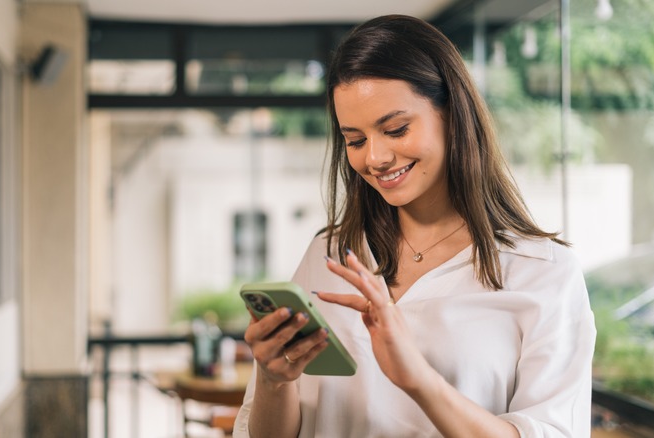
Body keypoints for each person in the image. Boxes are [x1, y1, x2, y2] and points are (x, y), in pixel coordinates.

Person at [234, 14, 596, 438]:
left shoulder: (542, 270)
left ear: (453, 114)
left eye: (395, 129)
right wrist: (275, 381)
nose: (375, 157)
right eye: (355, 140)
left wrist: (418, 379)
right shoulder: (330, 255)